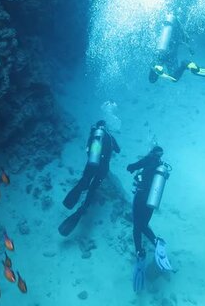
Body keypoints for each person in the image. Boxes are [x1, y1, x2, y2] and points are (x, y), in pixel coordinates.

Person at [59, 120, 120, 236]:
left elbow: (88, 149)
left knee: (84, 181)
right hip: (103, 168)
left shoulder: (94, 133)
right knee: (92, 189)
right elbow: (118, 150)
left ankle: (71, 199)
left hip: (91, 164)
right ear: (106, 127)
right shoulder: (109, 136)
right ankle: (83, 208)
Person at [126, 146, 174, 292]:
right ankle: (156, 242)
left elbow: (132, 167)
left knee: (137, 227)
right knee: (144, 224)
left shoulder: (148, 159)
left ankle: (140, 252)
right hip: (151, 202)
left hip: (140, 197)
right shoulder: (160, 166)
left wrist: (131, 168)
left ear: (152, 152)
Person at [149, 13, 205, 83]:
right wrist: (190, 49)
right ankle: (185, 64)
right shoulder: (178, 29)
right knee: (174, 77)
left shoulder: (164, 28)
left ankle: (156, 66)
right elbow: (184, 40)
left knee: (152, 78)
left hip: (161, 52)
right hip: (171, 55)